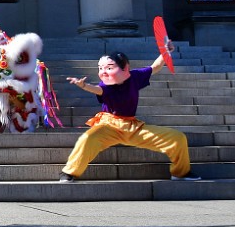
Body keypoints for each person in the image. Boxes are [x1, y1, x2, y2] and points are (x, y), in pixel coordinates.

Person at [59, 48, 200, 182]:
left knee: (177, 138)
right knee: (88, 139)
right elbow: (97, 90)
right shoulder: (105, 86)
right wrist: (84, 86)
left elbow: (155, 67)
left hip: (132, 127)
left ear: (125, 68)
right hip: (109, 125)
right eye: (100, 68)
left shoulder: (135, 77)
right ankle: (69, 172)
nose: (103, 72)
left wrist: (166, 52)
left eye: (109, 68)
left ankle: (180, 172)